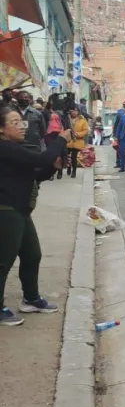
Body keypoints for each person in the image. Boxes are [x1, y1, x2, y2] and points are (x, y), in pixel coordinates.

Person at [0, 105, 69, 325]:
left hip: (20, 210)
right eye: (15, 123)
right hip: (6, 211)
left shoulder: (14, 149)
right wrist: (61, 140)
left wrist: (52, 169)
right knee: (3, 261)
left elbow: (34, 174)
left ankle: (30, 298)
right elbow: (40, 160)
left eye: (22, 122)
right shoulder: (5, 148)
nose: (22, 127)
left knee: (32, 254)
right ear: (1, 129)